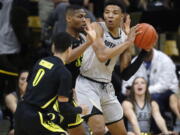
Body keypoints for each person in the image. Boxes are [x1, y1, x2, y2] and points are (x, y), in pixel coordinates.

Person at [74, 0, 151, 134]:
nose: (110, 15)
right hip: (86, 84)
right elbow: (102, 55)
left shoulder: (124, 37)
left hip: (106, 86)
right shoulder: (96, 27)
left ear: (122, 17)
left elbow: (125, 74)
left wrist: (143, 53)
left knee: (121, 133)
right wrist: (128, 43)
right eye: (107, 12)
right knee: (98, 129)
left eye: (115, 13)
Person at [14, 32, 90, 135]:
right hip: (35, 117)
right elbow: (63, 107)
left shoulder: (40, 61)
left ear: (53, 47)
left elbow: (27, 88)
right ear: (69, 49)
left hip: (20, 111)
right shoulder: (64, 73)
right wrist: (80, 109)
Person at [123, 48, 180, 132]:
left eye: (142, 83)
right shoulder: (127, 104)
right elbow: (133, 121)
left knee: (156, 99)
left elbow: (164, 84)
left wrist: (166, 132)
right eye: (136, 83)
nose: (139, 85)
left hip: (164, 90)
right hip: (134, 133)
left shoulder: (165, 60)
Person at [5, 70, 29, 135]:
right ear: (18, 81)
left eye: (28, 79)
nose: (25, 81)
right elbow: (20, 115)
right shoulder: (10, 97)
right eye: (22, 79)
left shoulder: (37, 96)